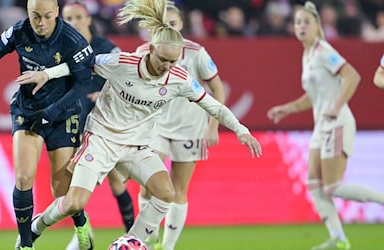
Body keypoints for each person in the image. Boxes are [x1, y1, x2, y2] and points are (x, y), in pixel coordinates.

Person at [16, 0, 262, 248]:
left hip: (137, 145)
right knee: (74, 203)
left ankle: (131, 241)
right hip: (102, 139)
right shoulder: (122, 63)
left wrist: (241, 130)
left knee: (167, 193)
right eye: (163, 59)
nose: (167, 66)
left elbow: (213, 105)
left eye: (173, 62)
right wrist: (47, 74)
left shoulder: (179, 79)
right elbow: (78, 66)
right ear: (151, 50)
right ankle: (38, 225)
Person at [0, 0, 95, 249]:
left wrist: (52, 112)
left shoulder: (72, 40)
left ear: (56, 12)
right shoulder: (19, 30)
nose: (41, 23)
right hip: (28, 111)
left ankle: (80, 220)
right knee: (23, 177)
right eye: (35, 16)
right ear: (28, 13)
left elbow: (83, 84)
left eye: (46, 16)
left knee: (61, 190)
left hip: (62, 114)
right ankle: (25, 243)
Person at [267, 2, 384, 250]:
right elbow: (313, 96)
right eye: (298, 22)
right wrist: (286, 108)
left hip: (337, 122)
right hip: (321, 126)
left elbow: (352, 75)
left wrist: (335, 106)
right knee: (314, 184)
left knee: (333, 186)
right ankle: (338, 239)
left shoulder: (323, 50)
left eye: (306, 23)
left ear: (318, 26)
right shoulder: (307, 55)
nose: (301, 27)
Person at [134, 3, 226, 249]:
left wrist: (213, 126)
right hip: (156, 128)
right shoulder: (144, 51)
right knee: (148, 186)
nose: (169, 29)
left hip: (190, 128)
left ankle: (168, 246)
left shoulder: (196, 53)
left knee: (178, 190)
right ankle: (149, 234)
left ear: (181, 25)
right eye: (164, 25)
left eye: (173, 24)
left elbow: (217, 88)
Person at [59, 1, 135, 248]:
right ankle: (81, 231)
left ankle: (133, 236)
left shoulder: (105, 48)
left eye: (78, 17)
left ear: (88, 19)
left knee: (116, 180)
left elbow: (127, 78)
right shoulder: (59, 49)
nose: (73, 22)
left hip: (105, 122)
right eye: (68, 18)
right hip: (74, 121)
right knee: (70, 183)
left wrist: (103, 93)